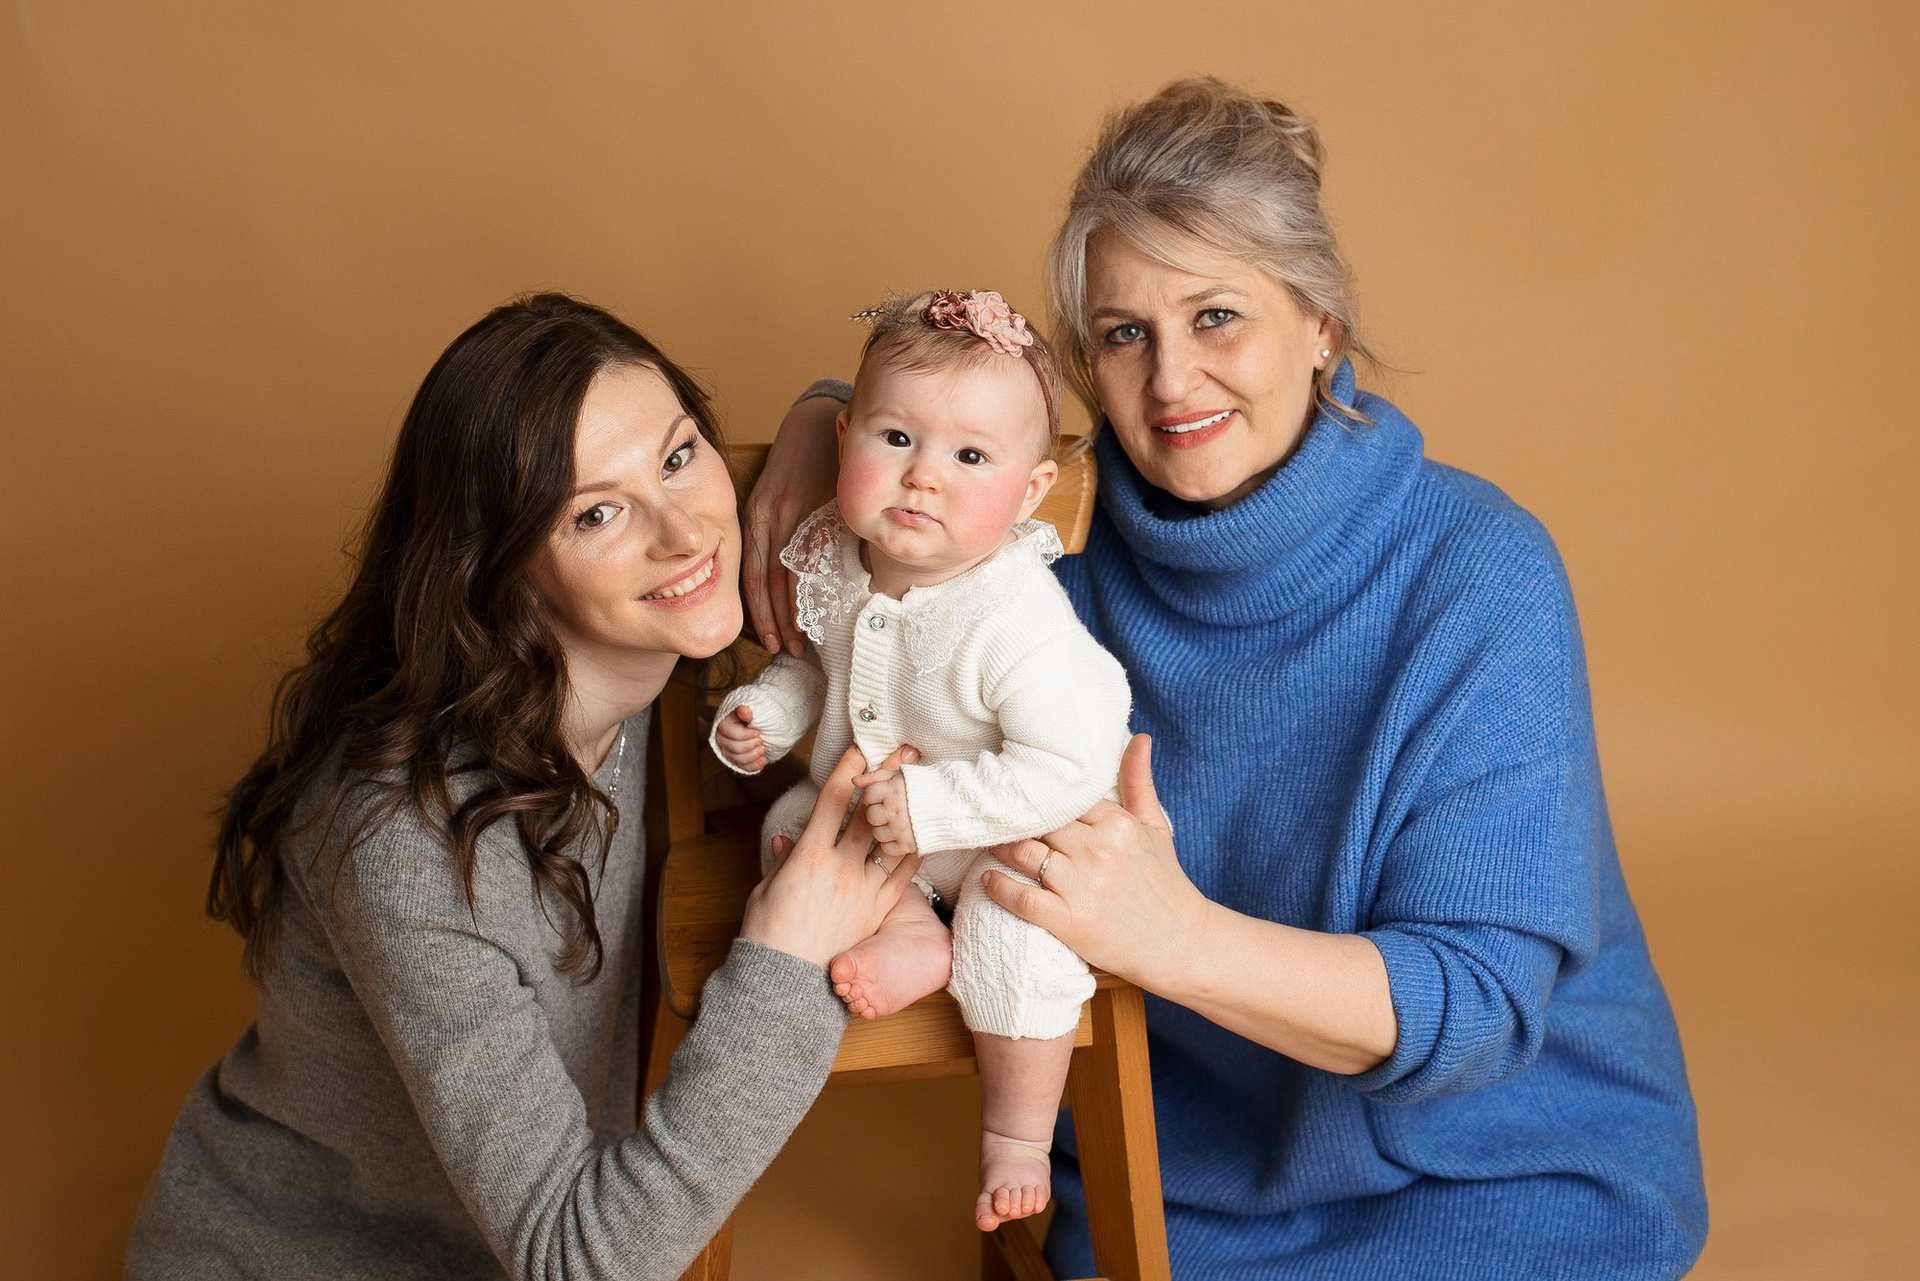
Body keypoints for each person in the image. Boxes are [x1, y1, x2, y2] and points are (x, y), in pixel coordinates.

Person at [744, 80, 1709, 1279]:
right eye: (1124, 334)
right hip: (1176, 1181)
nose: (1171, 383)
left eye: (1216, 317)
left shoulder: (1479, 575)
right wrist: (822, 415)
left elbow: (1476, 1009)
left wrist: (1177, 939)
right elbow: (926, 434)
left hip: (1502, 1170)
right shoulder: (1036, 562)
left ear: (1321, 323)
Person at [125, 294, 923, 1281]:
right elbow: (577, 1262)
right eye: (596, 512)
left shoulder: (642, 670)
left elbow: (939, 433)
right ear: (499, 570)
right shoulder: (406, 839)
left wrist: (820, 413)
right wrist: (786, 958)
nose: (685, 532)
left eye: (680, 455)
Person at [710, 289, 1133, 1233]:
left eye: (970, 457)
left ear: (1029, 490)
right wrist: (763, 717)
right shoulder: (835, 553)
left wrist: (934, 809)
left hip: (1007, 830)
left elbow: (1069, 763)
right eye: (896, 438)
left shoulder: (1014, 617)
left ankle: (1015, 1134)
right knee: (790, 825)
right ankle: (910, 933)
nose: (923, 477)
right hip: (872, 814)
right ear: (846, 435)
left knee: (1020, 927)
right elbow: (813, 665)